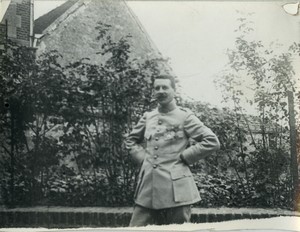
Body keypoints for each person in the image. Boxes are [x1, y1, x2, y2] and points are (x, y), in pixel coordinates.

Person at [125, 74, 220, 227]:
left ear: (174, 91)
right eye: (157, 88)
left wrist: (185, 156)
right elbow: (131, 140)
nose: (161, 91)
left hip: (176, 190)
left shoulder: (185, 117)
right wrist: (142, 159)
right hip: (148, 189)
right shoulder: (148, 117)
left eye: (165, 87)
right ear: (153, 92)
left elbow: (212, 141)